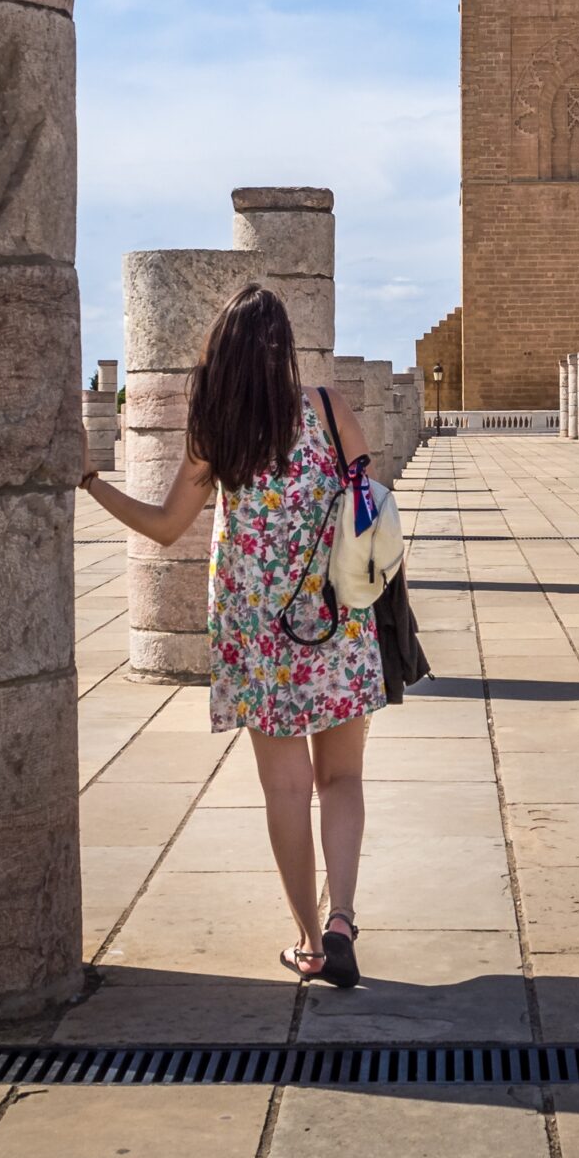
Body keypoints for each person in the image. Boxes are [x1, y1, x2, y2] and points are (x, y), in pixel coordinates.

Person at [78, 284, 384, 988]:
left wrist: (91, 479)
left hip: (259, 636)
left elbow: (163, 527)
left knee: (286, 789)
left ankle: (308, 941)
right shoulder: (330, 412)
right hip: (338, 620)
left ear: (223, 354)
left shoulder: (217, 431)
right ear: (285, 352)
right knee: (343, 777)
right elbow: (370, 504)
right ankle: (343, 921)